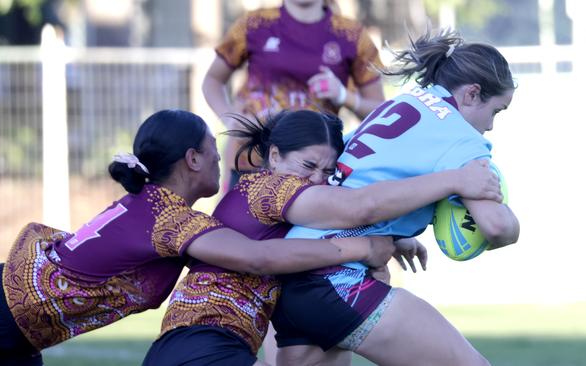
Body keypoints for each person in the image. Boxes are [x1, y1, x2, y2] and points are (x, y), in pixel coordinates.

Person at [0, 109, 389, 366]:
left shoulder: (152, 204)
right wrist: (357, 247)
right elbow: (255, 258)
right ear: (192, 159)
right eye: (213, 154)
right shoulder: (168, 219)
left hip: (10, 337)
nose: (221, 163)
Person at [142, 110, 503, 366]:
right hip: (205, 344)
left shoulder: (267, 197)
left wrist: (391, 243)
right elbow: (361, 206)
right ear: (274, 155)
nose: (317, 180)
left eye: (328, 171)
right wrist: (456, 180)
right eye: (308, 166)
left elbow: (309, 236)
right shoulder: (270, 189)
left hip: (197, 342)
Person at [271, 29, 520, 366]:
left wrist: (394, 234)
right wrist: (511, 220)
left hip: (296, 266)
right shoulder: (460, 136)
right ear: (472, 94)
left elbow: (361, 179)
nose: (490, 126)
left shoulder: (405, 101)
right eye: (496, 111)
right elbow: (495, 227)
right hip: (334, 277)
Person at [202, 0, 386, 191]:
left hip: (313, 171)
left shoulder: (352, 35)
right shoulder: (254, 24)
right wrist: (230, 120)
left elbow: (381, 113)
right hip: (250, 161)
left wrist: (342, 95)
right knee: (234, 221)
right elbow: (212, 80)